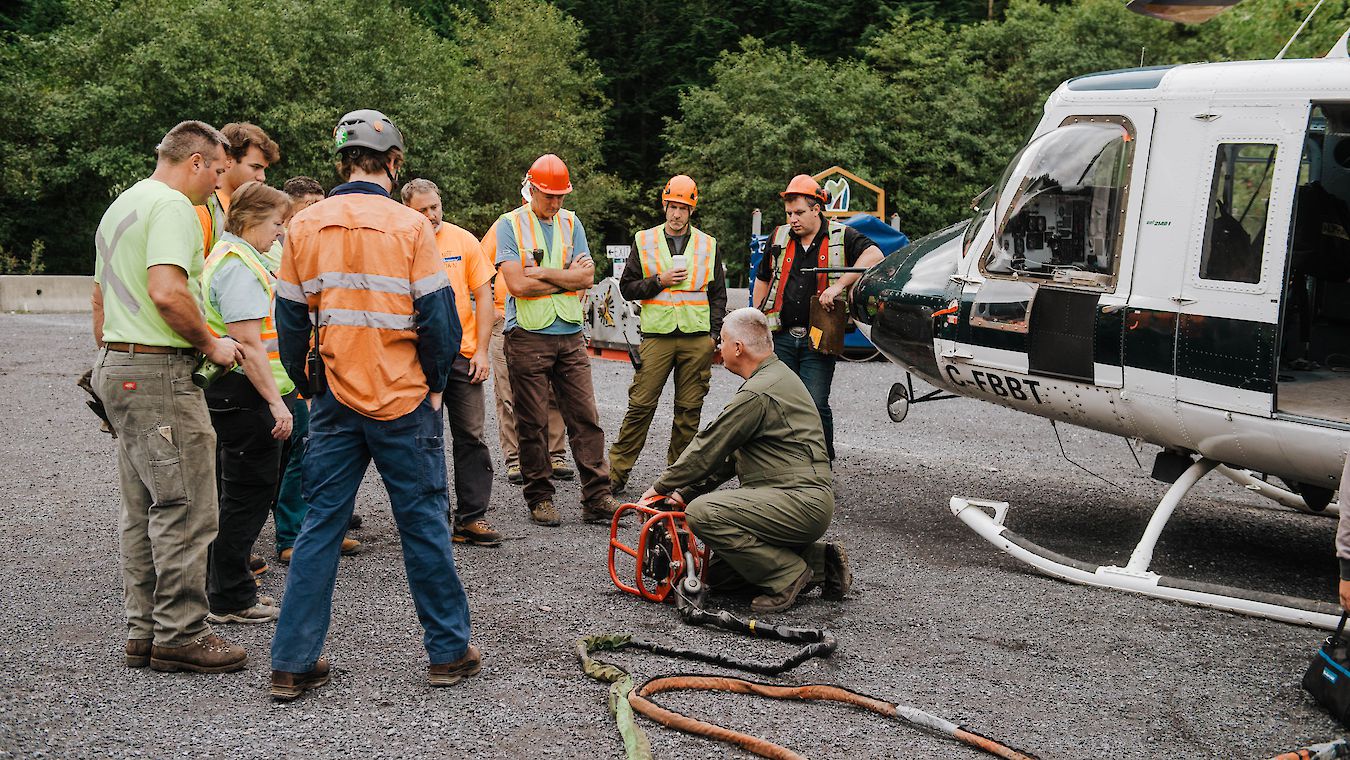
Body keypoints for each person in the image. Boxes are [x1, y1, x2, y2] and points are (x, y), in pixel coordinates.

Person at [270, 109, 478, 700]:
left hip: (333, 395)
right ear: (394, 163)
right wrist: (437, 382)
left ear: (341, 162)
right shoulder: (413, 228)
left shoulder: (305, 226)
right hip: (405, 397)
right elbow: (439, 317)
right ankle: (447, 652)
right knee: (423, 524)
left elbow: (288, 319)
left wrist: (307, 384)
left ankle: (291, 661)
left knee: (318, 526)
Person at [90, 119, 248, 673]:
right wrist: (213, 343)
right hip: (159, 371)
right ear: (198, 161)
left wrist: (112, 364)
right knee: (185, 504)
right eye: (219, 171)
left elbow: (99, 298)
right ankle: (181, 633)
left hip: (121, 363)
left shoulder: (123, 204)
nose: (218, 186)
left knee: (143, 506)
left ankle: (145, 629)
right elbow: (165, 289)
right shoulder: (175, 207)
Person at [640, 308, 851, 615]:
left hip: (798, 501)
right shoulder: (776, 378)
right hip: (802, 500)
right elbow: (728, 457)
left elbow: (708, 446)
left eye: (722, 341)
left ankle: (787, 576)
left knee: (703, 515)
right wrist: (682, 492)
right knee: (715, 575)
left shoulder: (759, 392)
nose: (718, 348)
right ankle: (821, 563)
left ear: (738, 347)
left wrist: (658, 487)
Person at [494, 154, 619, 527]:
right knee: (531, 422)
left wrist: (545, 274)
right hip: (527, 335)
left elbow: (586, 278)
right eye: (549, 196)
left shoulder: (571, 221)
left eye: (561, 196)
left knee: (586, 417)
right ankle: (540, 498)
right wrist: (565, 275)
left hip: (569, 333)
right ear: (531, 189)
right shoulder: (509, 225)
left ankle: (597, 496)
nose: (556, 203)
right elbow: (516, 284)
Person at [200, 181, 295, 625]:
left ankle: (221, 585)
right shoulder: (238, 264)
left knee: (236, 493)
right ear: (251, 219)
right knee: (246, 496)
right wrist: (277, 404)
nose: (279, 233)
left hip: (238, 392)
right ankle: (231, 597)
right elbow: (249, 345)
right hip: (246, 394)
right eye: (276, 223)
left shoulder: (233, 256)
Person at [752, 174, 884, 460]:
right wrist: (757, 316)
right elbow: (763, 278)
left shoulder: (842, 235)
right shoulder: (778, 237)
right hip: (781, 334)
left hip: (820, 335)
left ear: (817, 208)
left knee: (814, 402)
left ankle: (820, 463)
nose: (793, 219)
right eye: (789, 213)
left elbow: (874, 255)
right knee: (778, 401)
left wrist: (838, 286)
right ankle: (783, 461)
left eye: (799, 212)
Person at [608, 175, 725, 495]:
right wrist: (659, 280)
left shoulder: (707, 244)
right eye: (672, 207)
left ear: (691, 210)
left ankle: (678, 480)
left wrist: (713, 335)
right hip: (657, 336)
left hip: (696, 338)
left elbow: (718, 294)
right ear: (664, 205)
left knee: (689, 412)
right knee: (640, 405)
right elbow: (627, 286)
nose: (676, 214)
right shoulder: (644, 240)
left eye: (682, 208)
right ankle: (615, 474)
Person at [401, 178, 501, 546]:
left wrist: (483, 351)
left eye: (435, 208)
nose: (431, 216)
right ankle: (430, 519)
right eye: (422, 210)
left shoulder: (464, 240)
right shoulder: (400, 242)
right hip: (416, 357)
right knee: (423, 437)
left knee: (472, 436)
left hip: (463, 356)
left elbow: (484, 297)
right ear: (407, 210)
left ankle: (472, 517)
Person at [271, 177, 363, 563]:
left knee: (322, 454)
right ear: (289, 213)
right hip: (287, 371)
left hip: (327, 364)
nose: (317, 212)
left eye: (320, 203)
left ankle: (325, 525)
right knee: (295, 456)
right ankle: (291, 535)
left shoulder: (327, 249)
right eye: (308, 205)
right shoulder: (276, 252)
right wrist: (298, 378)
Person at [484, 216, 572, 484]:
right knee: (509, 393)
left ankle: (555, 454)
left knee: (554, 391)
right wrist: (494, 313)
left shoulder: (564, 226)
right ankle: (516, 458)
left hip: (554, 320)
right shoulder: (505, 225)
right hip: (509, 320)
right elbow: (477, 271)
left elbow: (579, 273)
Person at [194, 122, 281, 257]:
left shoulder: (253, 209)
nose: (262, 177)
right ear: (228, 160)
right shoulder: (203, 206)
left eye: (264, 169)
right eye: (255, 167)